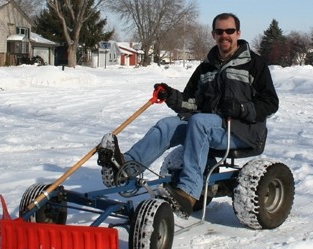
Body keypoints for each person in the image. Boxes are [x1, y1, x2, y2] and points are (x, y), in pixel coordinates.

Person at [97, 13, 279, 218]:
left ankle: (189, 191)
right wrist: (170, 95)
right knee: (167, 125)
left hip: (242, 131)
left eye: (229, 31)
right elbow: (191, 102)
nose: (224, 36)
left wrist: (242, 109)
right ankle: (124, 168)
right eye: (219, 31)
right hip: (208, 127)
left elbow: (271, 103)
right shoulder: (206, 67)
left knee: (199, 122)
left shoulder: (255, 64)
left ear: (238, 33)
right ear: (213, 34)